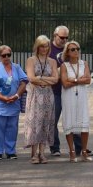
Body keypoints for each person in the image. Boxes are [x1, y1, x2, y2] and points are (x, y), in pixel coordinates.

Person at [0, 45, 27, 159]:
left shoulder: (17, 67)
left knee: (12, 128)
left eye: (9, 55)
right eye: (4, 55)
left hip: (14, 103)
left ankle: (10, 151)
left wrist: (17, 95)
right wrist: (2, 97)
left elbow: (24, 82)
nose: (7, 57)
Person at [25, 35, 59, 164]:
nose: (44, 49)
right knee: (35, 123)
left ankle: (42, 153)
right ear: (37, 47)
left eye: (46, 46)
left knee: (46, 123)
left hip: (48, 96)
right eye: (42, 46)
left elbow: (56, 79)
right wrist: (45, 79)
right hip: (35, 95)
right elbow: (31, 78)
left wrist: (40, 78)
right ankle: (34, 154)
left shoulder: (52, 61)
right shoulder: (31, 60)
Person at [59, 40, 92, 161]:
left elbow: (88, 80)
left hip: (82, 96)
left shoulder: (84, 63)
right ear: (67, 52)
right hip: (68, 97)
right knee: (69, 121)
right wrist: (79, 80)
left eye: (77, 49)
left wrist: (74, 80)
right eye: (72, 49)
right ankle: (72, 152)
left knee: (84, 122)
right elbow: (65, 84)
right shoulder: (64, 66)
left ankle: (84, 151)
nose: (76, 51)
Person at [48, 25, 70, 157]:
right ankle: (55, 147)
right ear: (55, 35)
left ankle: (79, 147)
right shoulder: (47, 49)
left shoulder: (70, 48)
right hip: (54, 91)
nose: (64, 40)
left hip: (69, 90)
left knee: (74, 119)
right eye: (62, 37)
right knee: (53, 120)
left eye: (66, 37)